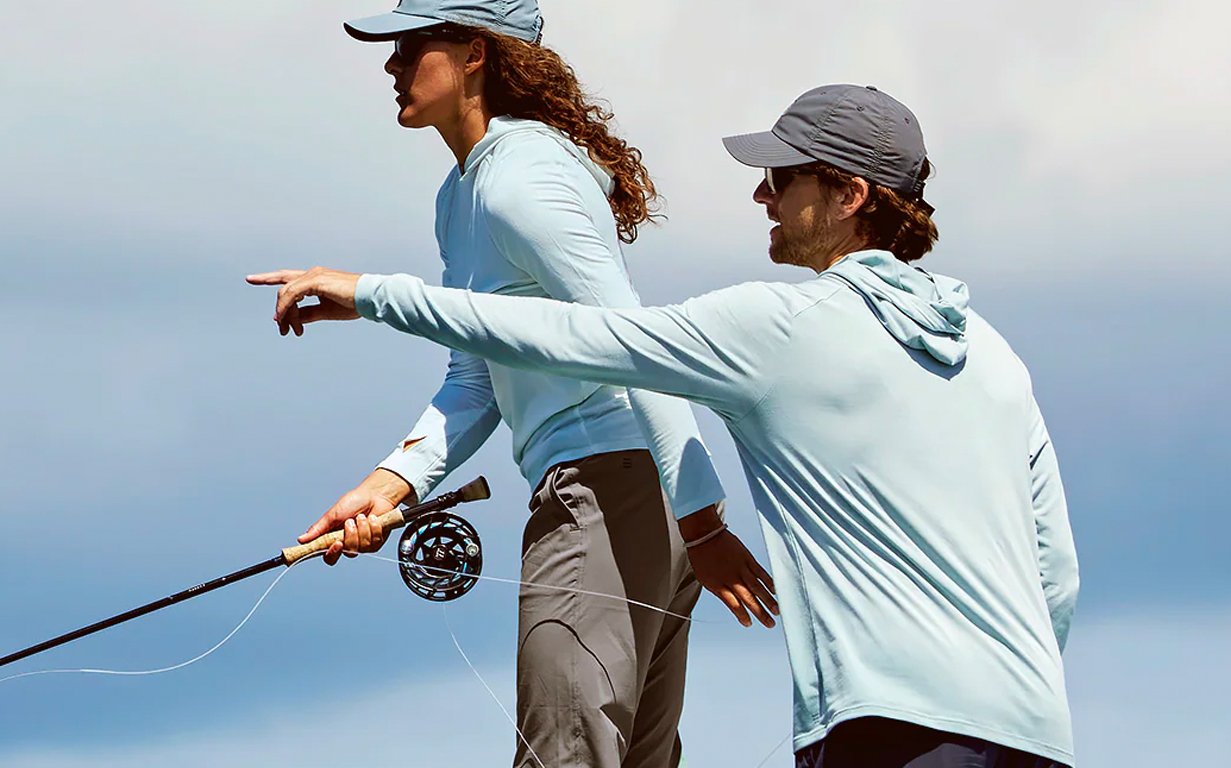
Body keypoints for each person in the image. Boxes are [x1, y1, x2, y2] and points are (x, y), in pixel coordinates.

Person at [252, 84, 1080, 768]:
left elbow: (581, 335)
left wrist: (369, 293)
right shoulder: (996, 355)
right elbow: (1056, 576)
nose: (763, 194)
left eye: (782, 178)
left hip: (891, 730)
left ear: (850, 196)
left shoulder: (782, 326)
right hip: (1036, 734)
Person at [247, 2, 779, 766]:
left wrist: (702, 521)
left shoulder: (522, 179)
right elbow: (476, 376)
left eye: (410, 46)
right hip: (629, 495)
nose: (392, 65)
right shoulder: (462, 194)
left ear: (473, 54)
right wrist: (391, 483)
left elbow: (638, 345)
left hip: (610, 492)